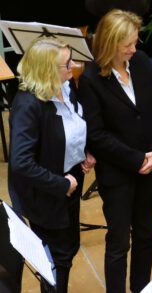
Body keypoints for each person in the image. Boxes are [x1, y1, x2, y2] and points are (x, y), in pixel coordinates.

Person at [77, 9, 152, 293]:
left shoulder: (141, 63)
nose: (134, 48)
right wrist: (137, 158)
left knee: (146, 236)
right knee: (119, 241)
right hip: (117, 172)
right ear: (109, 44)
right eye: (127, 44)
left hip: (149, 168)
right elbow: (96, 134)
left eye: (135, 42)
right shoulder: (92, 78)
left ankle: (141, 288)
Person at [8, 37, 95, 293]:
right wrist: (61, 184)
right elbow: (21, 163)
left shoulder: (65, 86)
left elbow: (72, 123)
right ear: (47, 71)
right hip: (46, 192)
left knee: (67, 249)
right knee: (55, 260)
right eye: (67, 63)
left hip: (70, 180)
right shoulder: (27, 105)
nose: (74, 65)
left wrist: (84, 150)